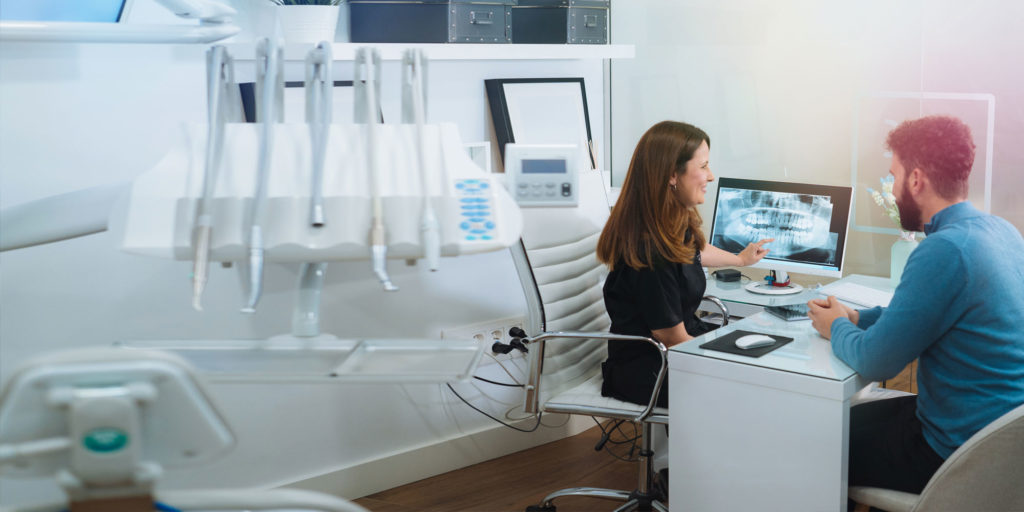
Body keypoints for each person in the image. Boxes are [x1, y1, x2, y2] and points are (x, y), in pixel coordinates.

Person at [807, 115, 1024, 494]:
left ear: (917, 179)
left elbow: (877, 362)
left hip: (955, 452)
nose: (890, 190)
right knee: (840, 418)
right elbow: (928, 316)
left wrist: (835, 327)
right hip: (998, 437)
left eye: (893, 176)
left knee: (813, 445)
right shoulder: (1001, 231)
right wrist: (859, 317)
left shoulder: (945, 250)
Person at [596, 120, 771, 408]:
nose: (711, 176)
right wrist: (732, 356)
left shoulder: (670, 225)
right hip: (650, 369)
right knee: (755, 386)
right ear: (671, 176)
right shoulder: (652, 252)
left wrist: (741, 259)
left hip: (672, 353)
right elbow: (673, 339)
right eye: (703, 166)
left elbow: (696, 250)